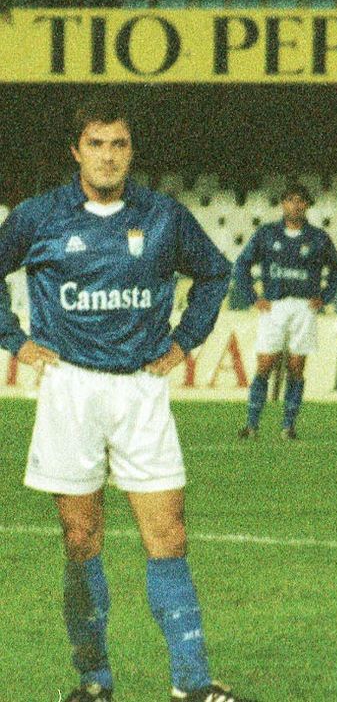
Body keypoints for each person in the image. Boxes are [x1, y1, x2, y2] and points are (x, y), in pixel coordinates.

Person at [0, 98, 254, 702]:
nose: (108, 156)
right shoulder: (39, 217)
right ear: (76, 151)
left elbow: (216, 274)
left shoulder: (164, 216)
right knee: (80, 538)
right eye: (97, 144)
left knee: (167, 534)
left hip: (141, 390)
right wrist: (14, 339)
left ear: (131, 152)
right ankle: (93, 680)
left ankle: (193, 684)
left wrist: (185, 341)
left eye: (119, 145)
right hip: (71, 389)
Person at [234, 183, 337, 440]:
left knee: (296, 366)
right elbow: (242, 266)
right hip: (274, 305)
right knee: (265, 363)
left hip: (304, 307)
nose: (295, 205)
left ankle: (288, 426)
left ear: (307, 205)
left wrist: (324, 297)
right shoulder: (266, 234)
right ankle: (251, 424)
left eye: (300, 201)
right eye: (290, 200)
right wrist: (254, 297)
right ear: (282, 204)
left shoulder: (318, 238)